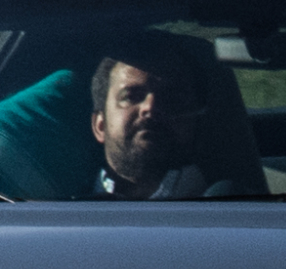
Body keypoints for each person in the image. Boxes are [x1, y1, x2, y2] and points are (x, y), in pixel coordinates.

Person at [89, 43, 210, 199]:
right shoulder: (58, 210)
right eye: (131, 96)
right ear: (100, 126)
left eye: (171, 98)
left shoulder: (234, 209)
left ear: (196, 122)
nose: (150, 107)